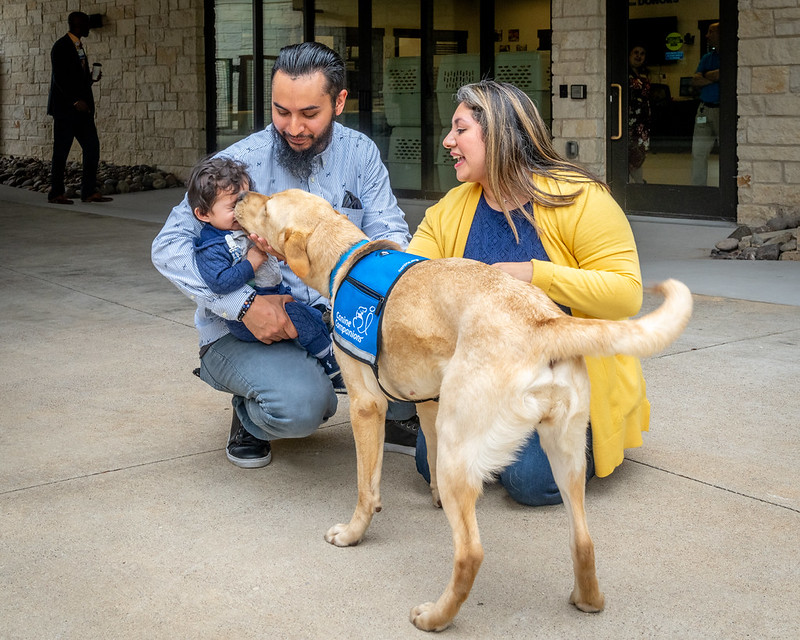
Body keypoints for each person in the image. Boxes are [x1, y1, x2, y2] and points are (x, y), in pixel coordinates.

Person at [152, 42, 416, 469]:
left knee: (420, 367)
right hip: (247, 329)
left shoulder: (361, 153)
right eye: (281, 111)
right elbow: (168, 247)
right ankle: (250, 411)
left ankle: (395, 414)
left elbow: (389, 234)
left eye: (309, 114)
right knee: (302, 407)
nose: (293, 127)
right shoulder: (235, 165)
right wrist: (243, 305)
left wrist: (384, 305)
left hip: (336, 316)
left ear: (339, 102)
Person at [408, 80, 648, 506]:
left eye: (460, 129)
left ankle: (574, 441)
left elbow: (627, 293)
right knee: (433, 466)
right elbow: (409, 280)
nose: (448, 141)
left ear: (498, 134)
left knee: (530, 482)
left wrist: (535, 275)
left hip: (562, 381)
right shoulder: (451, 209)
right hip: (484, 381)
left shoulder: (580, 198)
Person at [188, 155, 345, 393]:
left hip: (277, 294)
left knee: (314, 315)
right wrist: (251, 263)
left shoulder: (242, 228)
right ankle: (331, 366)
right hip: (248, 317)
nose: (241, 211)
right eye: (233, 207)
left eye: (244, 199)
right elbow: (219, 282)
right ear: (203, 214)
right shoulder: (212, 247)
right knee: (305, 322)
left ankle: (321, 343)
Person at [47, 11, 112, 205]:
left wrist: (90, 79)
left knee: (92, 147)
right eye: (86, 24)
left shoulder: (78, 46)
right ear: (78, 25)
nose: (89, 27)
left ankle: (88, 191)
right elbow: (59, 78)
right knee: (61, 152)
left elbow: (74, 77)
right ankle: (56, 193)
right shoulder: (61, 46)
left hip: (82, 111)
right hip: (66, 110)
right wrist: (75, 100)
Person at [691, 22, 720, 186]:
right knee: (698, 153)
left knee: (728, 153)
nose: (707, 35)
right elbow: (695, 80)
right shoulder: (707, 58)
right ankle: (698, 190)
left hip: (723, 111)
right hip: (704, 110)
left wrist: (706, 76)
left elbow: (726, 74)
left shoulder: (731, 55)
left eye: (711, 32)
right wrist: (714, 77)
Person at [627, 44, 651, 184]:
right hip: (629, 122)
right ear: (629, 55)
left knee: (640, 155)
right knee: (630, 155)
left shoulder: (645, 74)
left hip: (643, 122)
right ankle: (634, 185)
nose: (639, 56)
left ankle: (637, 185)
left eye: (642, 53)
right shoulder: (624, 73)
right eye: (636, 52)